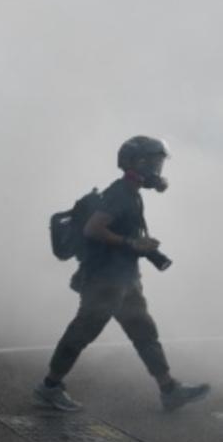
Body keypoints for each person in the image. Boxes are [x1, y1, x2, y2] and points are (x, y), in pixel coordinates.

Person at [35, 136, 210, 413]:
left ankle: (169, 390)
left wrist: (140, 246)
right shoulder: (120, 193)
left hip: (123, 279)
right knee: (82, 332)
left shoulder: (132, 192)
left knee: (143, 331)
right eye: (154, 162)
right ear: (137, 163)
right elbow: (93, 229)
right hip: (105, 280)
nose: (158, 168)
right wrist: (131, 244)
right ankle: (49, 387)